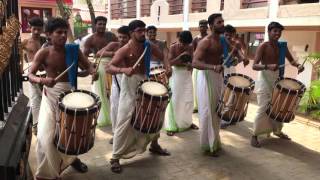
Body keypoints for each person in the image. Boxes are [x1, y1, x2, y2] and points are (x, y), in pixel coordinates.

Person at [28, 17, 97, 180]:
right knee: (45, 137)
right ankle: (45, 174)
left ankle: (71, 160)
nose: (63, 35)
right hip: (50, 97)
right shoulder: (44, 52)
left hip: (70, 96)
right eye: (59, 32)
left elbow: (88, 65)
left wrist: (93, 71)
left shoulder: (74, 50)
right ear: (49, 35)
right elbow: (30, 74)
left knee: (70, 134)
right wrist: (42, 80)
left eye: (65, 32)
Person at [105, 20, 172, 173]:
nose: (143, 33)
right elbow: (109, 67)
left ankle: (154, 145)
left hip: (145, 82)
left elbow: (164, 55)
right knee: (124, 119)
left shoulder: (148, 45)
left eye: (144, 30)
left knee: (155, 114)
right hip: (129, 85)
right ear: (131, 33)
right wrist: (124, 70)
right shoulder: (125, 49)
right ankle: (115, 157)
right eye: (139, 31)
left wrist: (168, 67)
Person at [251, 22, 304, 148]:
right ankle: (255, 135)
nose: (277, 33)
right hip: (264, 78)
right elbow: (254, 65)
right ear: (269, 32)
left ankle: (277, 131)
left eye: (279, 31)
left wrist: (298, 66)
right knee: (264, 107)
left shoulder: (282, 47)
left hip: (278, 78)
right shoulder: (263, 46)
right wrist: (267, 66)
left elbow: (291, 61)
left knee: (278, 105)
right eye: (274, 31)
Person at [192, 13, 225, 157]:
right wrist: (212, 67)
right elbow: (195, 62)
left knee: (217, 111)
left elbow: (229, 52)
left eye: (223, 21)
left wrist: (236, 58)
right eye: (219, 22)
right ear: (211, 26)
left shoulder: (222, 40)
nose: (222, 24)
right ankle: (208, 145)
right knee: (207, 112)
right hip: (206, 76)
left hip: (218, 77)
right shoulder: (205, 41)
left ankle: (215, 141)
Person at [96, 26, 130, 144]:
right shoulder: (114, 45)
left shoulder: (132, 47)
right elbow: (99, 53)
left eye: (124, 37)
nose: (121, 39)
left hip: (129, 78)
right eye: (119, 37)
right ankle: (116, 134)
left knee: (128, 108)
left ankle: (127, 134)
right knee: (115, 106)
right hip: (116, 78)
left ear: (130, 37)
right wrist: (113, 53)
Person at [83, 16, 117, 127]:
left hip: (113, 66)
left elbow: (120, 47)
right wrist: (91, 68)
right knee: (100, 92)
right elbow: (84, 57)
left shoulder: (111, 36)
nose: (102, 26)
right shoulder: (90, 39)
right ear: (95, 25)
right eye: (99, 24)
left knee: (113, 92)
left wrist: (112, 56)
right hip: (99, 67)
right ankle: (102, 117)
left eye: (104, 24)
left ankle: (114, 116)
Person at [164, 30, 198, 136]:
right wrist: (180, 56)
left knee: (188, 100)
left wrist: (190, 64)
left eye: (187, 43)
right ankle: (171, 125)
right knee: (175, 100)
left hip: (186, 75)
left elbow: (192, 60)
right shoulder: (174, 47)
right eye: (183, 43)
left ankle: (187, 123)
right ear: (179, 40)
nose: (185, 45)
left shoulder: (191, 46)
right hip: (176, 74)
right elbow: (169, 62)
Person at [220, 24, 250, 129]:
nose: (228, 37)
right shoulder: (219, 43)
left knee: (231, 95)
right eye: (226, 35)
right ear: (223, 34)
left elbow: (240, 58)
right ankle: (220, 117)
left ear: (233, 35)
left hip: (231, 71)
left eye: (230, 36)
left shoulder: (235, 44)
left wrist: (238, 60)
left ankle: (228, 117)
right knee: (222, 94)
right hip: (220, 70)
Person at [21, 17, 47, 135]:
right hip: (32, 73)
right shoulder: (25, 42)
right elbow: (19, 57)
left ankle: (46, 123)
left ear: (42, 29)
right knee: (35, 100)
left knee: (47, 99)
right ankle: (36, 125)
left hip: (46, 73)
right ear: (30, 28)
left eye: (39, 29)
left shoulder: (45, 41)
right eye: (34, 29)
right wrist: (20, 69)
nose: (36, 32)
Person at [192, 19, 208, 113]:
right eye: (201, 26)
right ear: (198, 27)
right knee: (196, 86)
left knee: (205, 87)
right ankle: (196, 106)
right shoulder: (196, 39)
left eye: (204, 26)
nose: (202, 28)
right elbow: (193, 52)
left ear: (207, 27)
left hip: (206, 66)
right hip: (197, 66)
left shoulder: (209, 38)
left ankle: (204, 105)